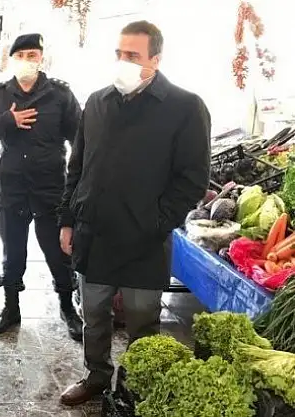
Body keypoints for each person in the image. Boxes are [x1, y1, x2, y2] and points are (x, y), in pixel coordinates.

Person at [57, 21, 211, 406]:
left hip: (144, 240)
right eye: (119, 54)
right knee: (94, 314)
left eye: (133, 56)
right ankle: (96, 376)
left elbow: (193, 180)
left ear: (155, 60)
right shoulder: (97, 103)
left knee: (143, 321)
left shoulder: (184, 108)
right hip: (95, 234)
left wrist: (157, 222)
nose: (123, 61)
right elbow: (77, 167)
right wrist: (68, 219)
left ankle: (136, 386)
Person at [0, 33, 84, 340]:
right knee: (12, 254)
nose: (26, 61)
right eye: (20, 56)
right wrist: (6, 121)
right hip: (11, 189)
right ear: (11, 59)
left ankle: (68, 308)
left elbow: (81, 140)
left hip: (51, 189)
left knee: (58, 254)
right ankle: (11, 309)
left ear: (41, 58)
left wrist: (79, 184)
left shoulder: (60, 95)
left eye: (32, 55)